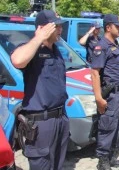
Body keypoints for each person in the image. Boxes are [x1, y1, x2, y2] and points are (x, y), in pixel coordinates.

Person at [10, 10, 69, 170]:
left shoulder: (56, 51)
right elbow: (17, 60)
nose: (60, 29)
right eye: (55, 26)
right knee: (41, 165)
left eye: (60, 26)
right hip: (42, 122)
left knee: (57, 164)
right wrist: (39, 38)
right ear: (42, 28)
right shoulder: (31, 49)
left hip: (60, 118)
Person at [91, 14, 119, 170]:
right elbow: (94, 73)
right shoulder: (102, 46)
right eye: (117, 26)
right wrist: (99, 98)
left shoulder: (115, 44)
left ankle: (110, 156)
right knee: (107, 127)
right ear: (108, 27)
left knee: (116, 125)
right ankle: (102, 161)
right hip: (110, 95)